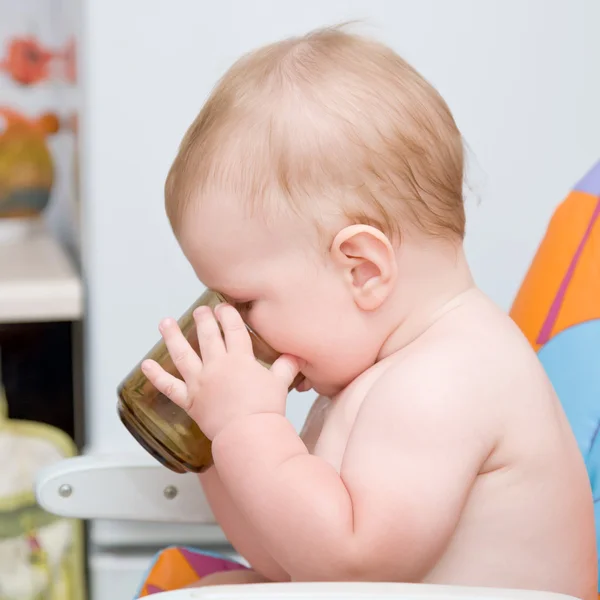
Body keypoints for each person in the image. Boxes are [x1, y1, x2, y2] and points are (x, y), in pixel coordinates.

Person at [140, 25, 597, 598]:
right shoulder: (370, 379)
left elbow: (351, 568)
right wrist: (215, 444)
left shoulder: (446, 380)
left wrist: (247, 428)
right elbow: (292, 561)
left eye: (245, 301)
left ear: (362, 270)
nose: (237, 325)